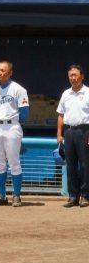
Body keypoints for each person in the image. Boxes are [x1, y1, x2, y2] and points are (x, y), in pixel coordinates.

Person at [0, 60, 29, 207]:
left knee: (14, 162)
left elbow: (24, 112)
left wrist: (15, 122)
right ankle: (2, 196)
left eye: (3, 70)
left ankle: (16, 196)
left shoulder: (18, 89)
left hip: (11, 127)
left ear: (10, 72)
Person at [56, 64, 89, 208]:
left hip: (84, 131)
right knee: (70, 166)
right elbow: (60, 115)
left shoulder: (88, 92)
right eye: (71, 75)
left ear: (82, 76)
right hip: (69, 132)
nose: (73, 78)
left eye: (76, 75)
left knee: (85, 165)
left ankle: (85, 196)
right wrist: (59, 134)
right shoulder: (65, 94)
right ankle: (73, 196)